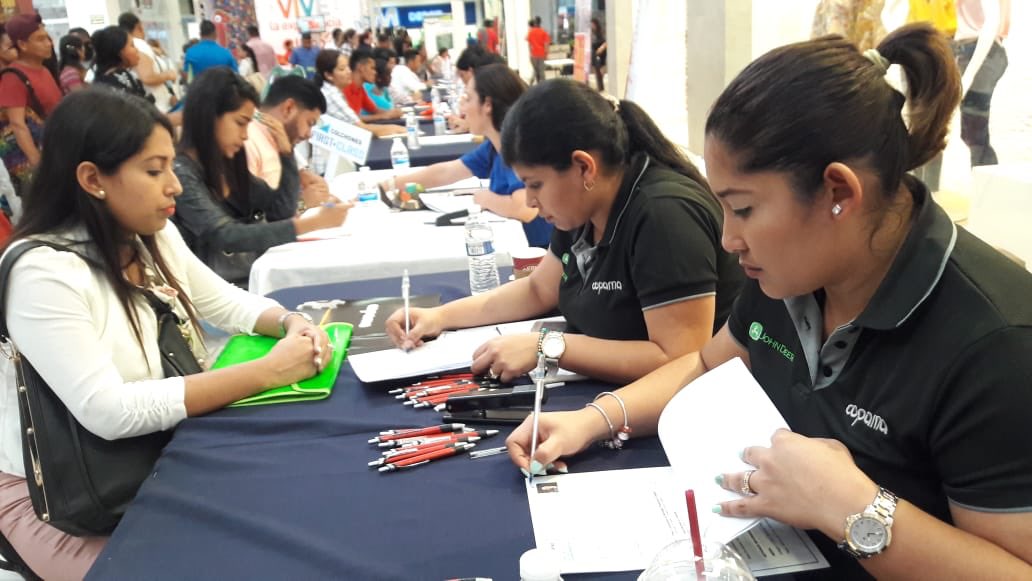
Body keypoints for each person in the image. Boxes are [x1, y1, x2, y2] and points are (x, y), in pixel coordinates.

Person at [506, 24, 1032, 579]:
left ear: (838, 193)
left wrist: (853, 507)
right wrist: (593, 420)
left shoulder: (994, 344)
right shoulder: (790, 272)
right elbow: (709, 364)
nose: (729, 240)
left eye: (745, 210)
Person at [0, 87, 332, 580]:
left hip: (147, 460)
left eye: (170, 167)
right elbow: (108, 410)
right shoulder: (43, 273)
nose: (174, 186)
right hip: (56, 496)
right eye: (154, 171)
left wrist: (291, 321)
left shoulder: (145, 232)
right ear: (92, 178)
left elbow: (221, 300)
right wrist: (267, 371)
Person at [386, 77, 743, 384]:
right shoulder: (582, 208)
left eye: (536, 184)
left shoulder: (664, 215)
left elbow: (679, 358)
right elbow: (539, 290)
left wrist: (549, 347)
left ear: (583, 167)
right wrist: (441, 317)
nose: (530, 199)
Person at [172, 69, 349, 285]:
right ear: (210, 116)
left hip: (249, 275)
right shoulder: (182, 173)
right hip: (222, 290)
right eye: (240, 123)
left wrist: (287, 154)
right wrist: (310, 223)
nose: (245, 134)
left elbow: (279, 210)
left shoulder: (226, 164)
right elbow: (226, 236)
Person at [383, 65, 553, 248]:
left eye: (468, 98)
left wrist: (485, 198)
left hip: (540, 255)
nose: (462, 107)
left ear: (487, 105)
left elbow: (525, 209)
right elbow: (447, 171)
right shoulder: (493, 147)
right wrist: (392, 183)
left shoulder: (520, 148)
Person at [244, 75, 332, 210]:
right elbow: (252, 218)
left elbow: (305, 176)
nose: (308, 135)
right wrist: (302, 205)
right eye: (310, 123)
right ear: (288, 108)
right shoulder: (249, 141)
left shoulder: (278, 137)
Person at [0, 13, 63, 197]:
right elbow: (17, 125)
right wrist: (37, 162)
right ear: (22, 45)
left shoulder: (44, 70)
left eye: (47, 38)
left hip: (55, 148)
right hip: (39, 159)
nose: (48, 43)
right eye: (40, 39)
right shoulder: (14, 77)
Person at [953, 0, 1010, 167]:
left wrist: (969, 75)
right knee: (972, 133)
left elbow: (992, 21)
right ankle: (987, 186)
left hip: (981, 51)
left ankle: (989, 187)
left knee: (974, 131)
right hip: (967, 50)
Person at [313, 49, 404, 146]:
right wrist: (396, 129)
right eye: (342, 69)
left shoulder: (336, 92)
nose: (349, 71)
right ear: (328, 75)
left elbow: (372, 112)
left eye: (348, 67)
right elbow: (360, 128)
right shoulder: (332, 95)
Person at [119, 12, 179, 113]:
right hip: (157, 107)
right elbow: (147, 77)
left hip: (160, 104)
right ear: (139, 26)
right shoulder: (139, 44)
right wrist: (168, 75)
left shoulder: (138, 45)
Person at [90, 26, 150, 102]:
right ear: (120, 51)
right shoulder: (110, 85)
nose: (136, 50)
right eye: (132, 45)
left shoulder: (123, 74)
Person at [344, 49, 401, 120]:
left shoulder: (360, 88)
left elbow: (375, 110)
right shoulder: (345, 87)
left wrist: (391, 113)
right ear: (361, 67)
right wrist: (384, 116)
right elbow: (352, 119)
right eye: (372, 68)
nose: (375, 72)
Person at [527, 16, 550, 85]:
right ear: (540, 22)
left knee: (536, 71)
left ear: (535, 23)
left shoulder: (530, 32)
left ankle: (533, 84)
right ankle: (542, 86)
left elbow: (529, 45)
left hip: (533, 55)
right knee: (541, 71)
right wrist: (546, 54)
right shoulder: (543, 32)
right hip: (541, 54)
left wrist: (530, 53)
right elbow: (546, 44)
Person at [590, 17, 607, 91]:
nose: (592, 26)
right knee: (596, 73)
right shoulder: (591, 35)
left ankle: (601, 87)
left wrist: (602, 47)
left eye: (593, 25)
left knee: (600, 72)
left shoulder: (600, 34)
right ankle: (599, 87)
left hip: (601, 55)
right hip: (594, 55)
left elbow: (605, 42)